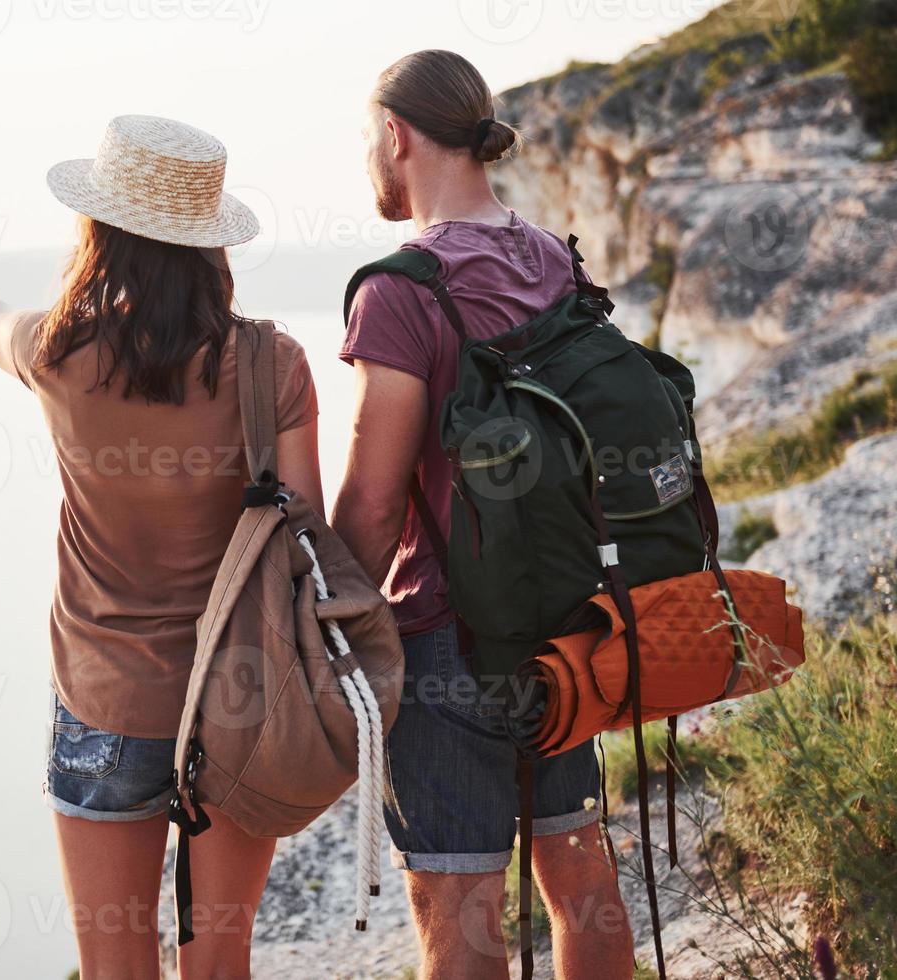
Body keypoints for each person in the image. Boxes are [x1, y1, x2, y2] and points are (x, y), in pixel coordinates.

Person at [0, 114, 323, 980]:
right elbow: (309, 532)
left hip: (105, 702)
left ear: (100, 232)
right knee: (219, 962)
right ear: (208, 241)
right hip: (242, 696)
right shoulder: (272, 364)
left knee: (114, 963)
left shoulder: (56, 352)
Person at [331, 51, 635, 980]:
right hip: (564, 624)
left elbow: (377, 504)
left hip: (446, 638)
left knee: (461, 926)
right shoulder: (552, 255)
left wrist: (327, 616)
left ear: (396, 136)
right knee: (581, 885)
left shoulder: (398, 288)